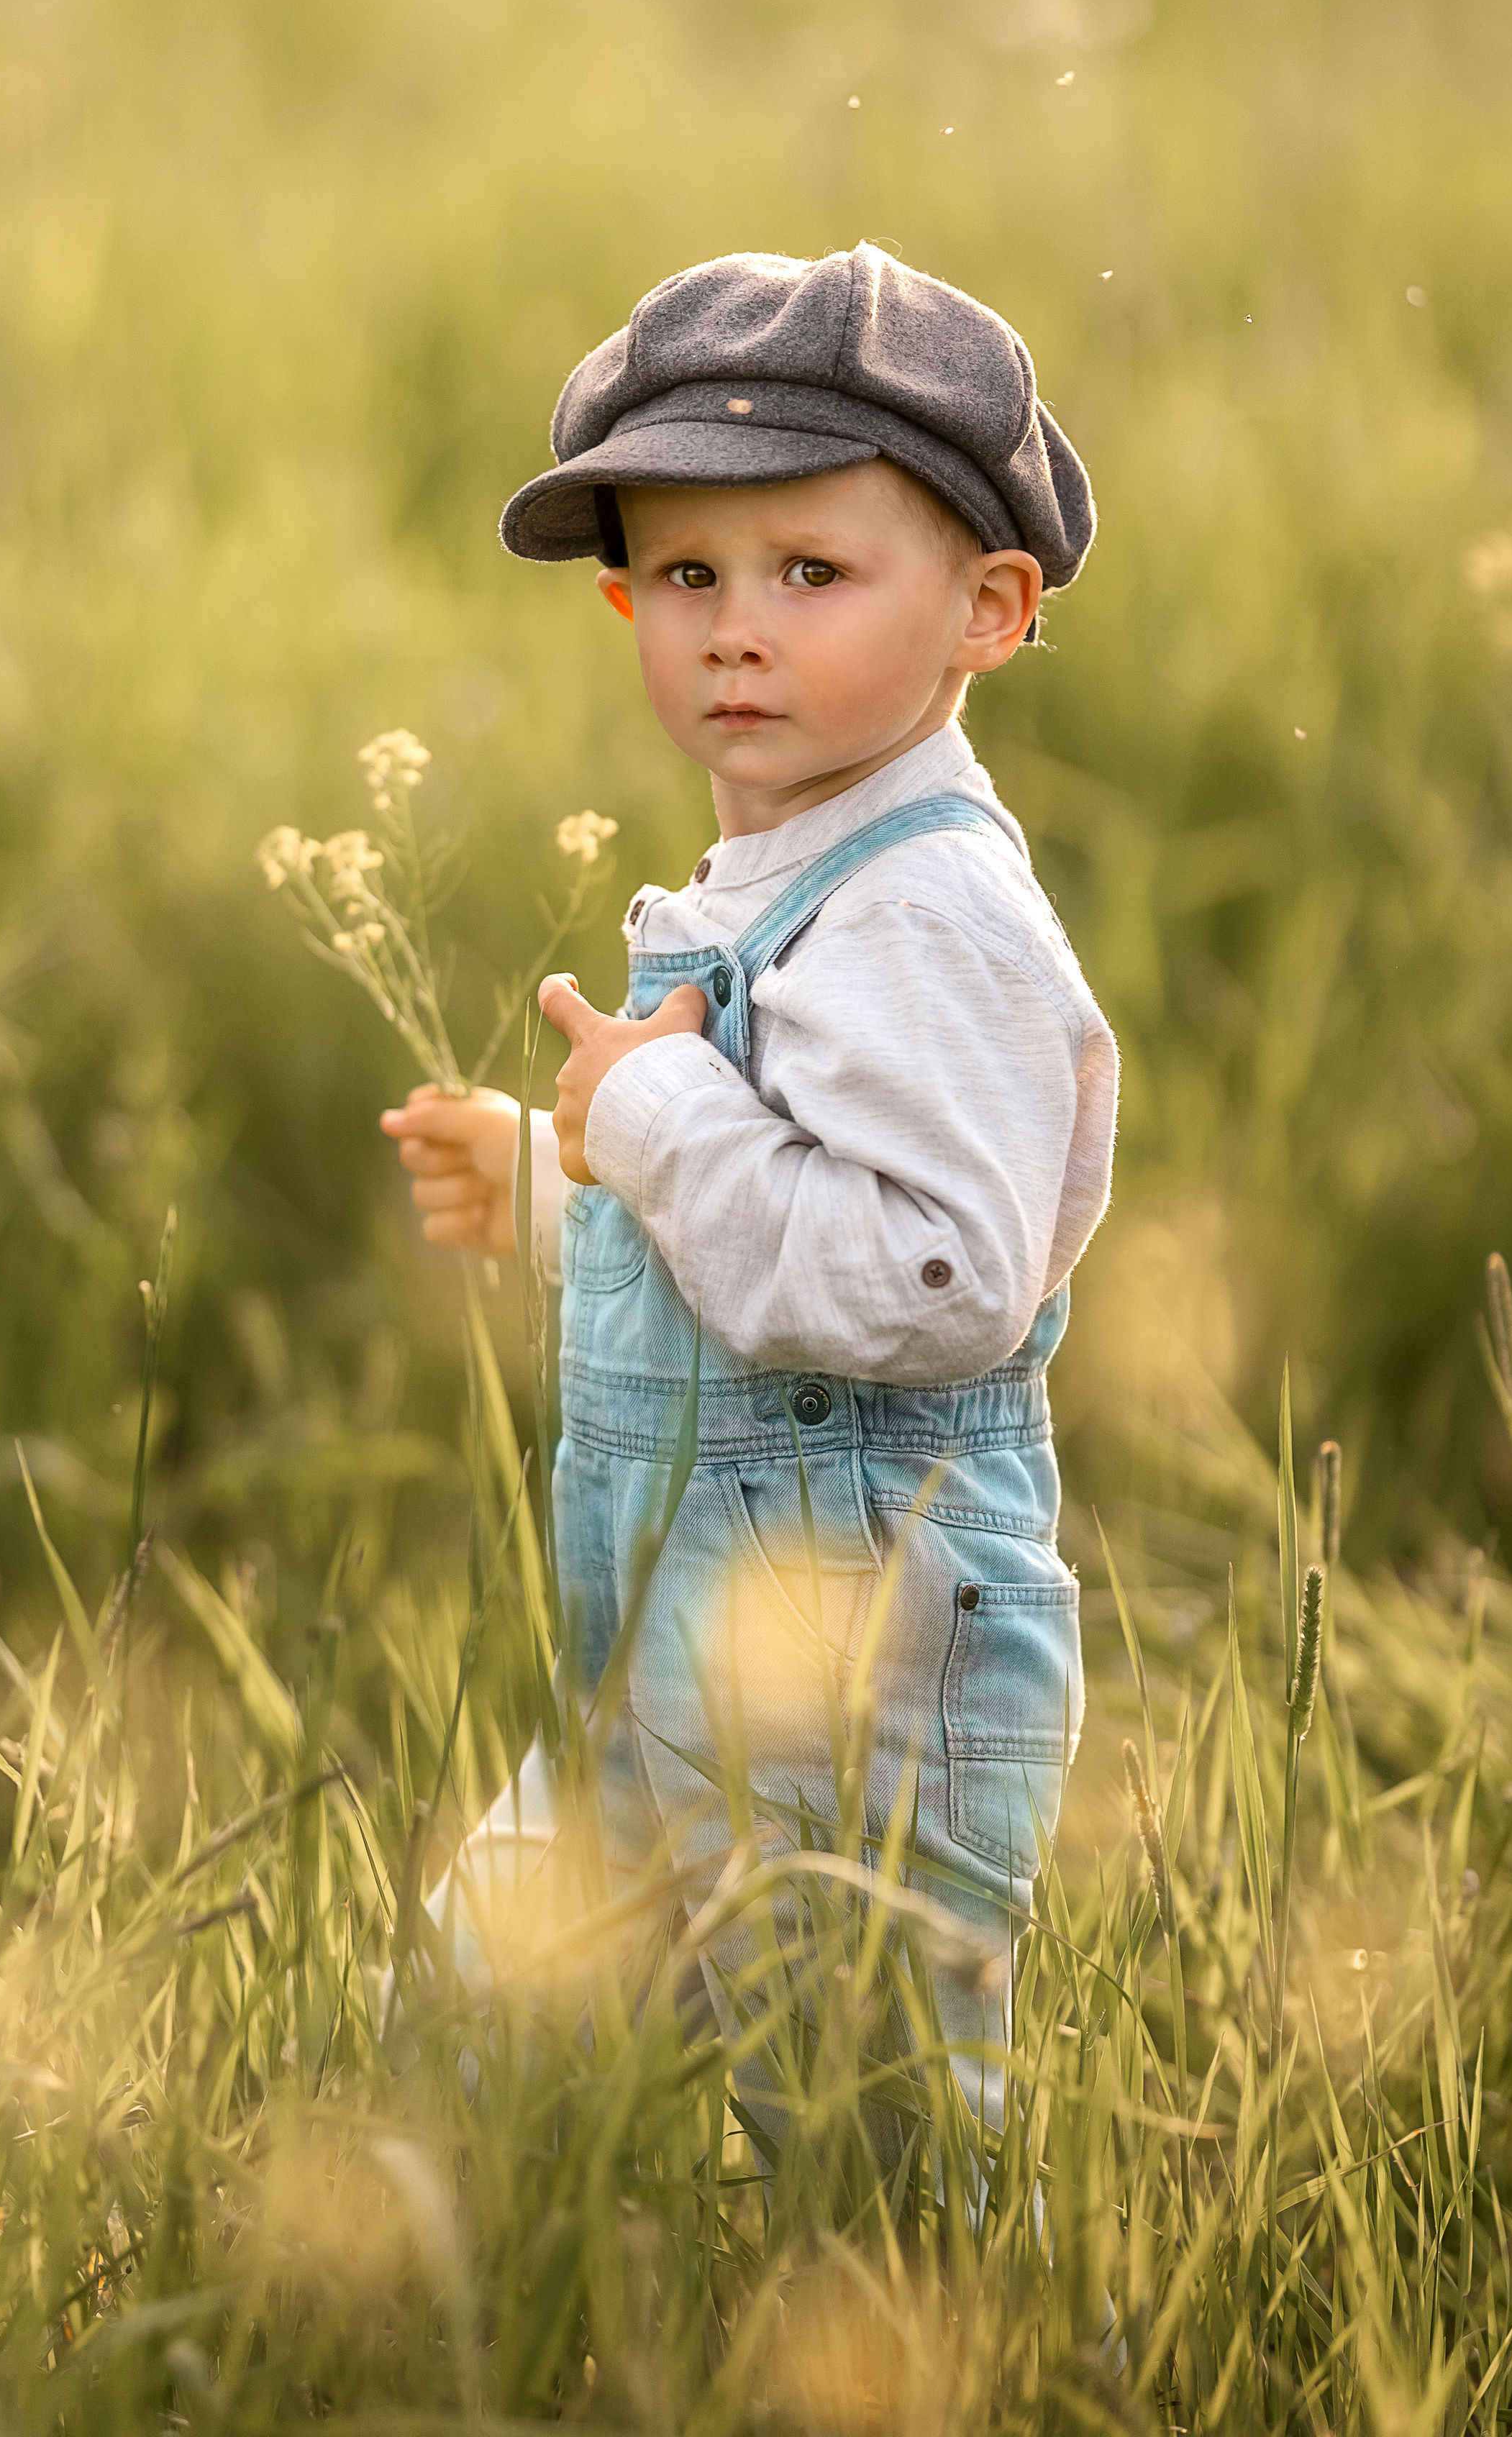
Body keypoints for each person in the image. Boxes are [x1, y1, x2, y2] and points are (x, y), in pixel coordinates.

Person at [378, 243, 1118, 2148]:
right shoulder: (791, 866)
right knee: (478, 2009)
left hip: (862, 1689)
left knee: (862, 2125)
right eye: (688, 575)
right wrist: (568, 1189)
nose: (735, 629)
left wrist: (657, 1133)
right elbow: (765, 1235)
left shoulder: (932, 915)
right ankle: (490, 2307)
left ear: (991, 607)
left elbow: (936, 1275)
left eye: (812, 572)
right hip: (670, 1659)